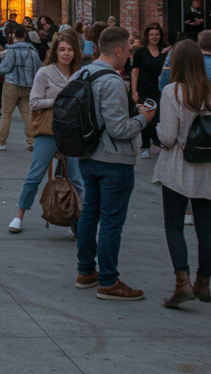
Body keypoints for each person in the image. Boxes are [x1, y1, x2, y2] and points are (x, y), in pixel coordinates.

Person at [74, 26, 153, 301]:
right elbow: (119, 129)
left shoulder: (81, 73)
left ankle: (86, 271)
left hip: (86, 155)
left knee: (89, 215)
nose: (131, 55)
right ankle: (108, 281)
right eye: (129, 50)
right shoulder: (111, 81)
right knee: (110, 222)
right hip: (113, 159)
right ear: (118, 50)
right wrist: (144, 119)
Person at [152, 39, 211, 308]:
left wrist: (156, 131)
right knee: (205, 227)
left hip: (177, 165)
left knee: (174, 225)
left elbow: (169, 136)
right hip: (208, 166)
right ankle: (204, 282)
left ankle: (182, 282)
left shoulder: (172, 92)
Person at [9, 27, 85, 234]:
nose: (66, 53)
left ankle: (77, 221)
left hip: (72, 133)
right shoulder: (45, 73)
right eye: (62, 49)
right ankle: (19, 216)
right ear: (55, 52)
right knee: (35, 174)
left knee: (77, 178)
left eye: (70, 49)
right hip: (48, 131)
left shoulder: (80, 75)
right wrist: (58, 101)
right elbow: (33, 103)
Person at [0, 22, 39, 151]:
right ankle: (31, 141)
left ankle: (1, 141)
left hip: (12, 84)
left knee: (6, 114)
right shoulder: (33, 52)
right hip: (28, 86)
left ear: (14, 36)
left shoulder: (13, 50)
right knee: (27, 114)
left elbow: (4, 68)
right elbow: (38, 69)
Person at [131, 23, 168, 158]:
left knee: (158, 116)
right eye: (152, 34)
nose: (154, 37)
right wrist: (134, 91)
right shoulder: (141, 52)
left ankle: (157, 143)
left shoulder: (165, 52)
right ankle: (145, 145)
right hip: (144, 88)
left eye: (157, 34)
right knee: (146, 117)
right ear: (147, 36)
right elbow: (135, 71)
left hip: (159, 89)